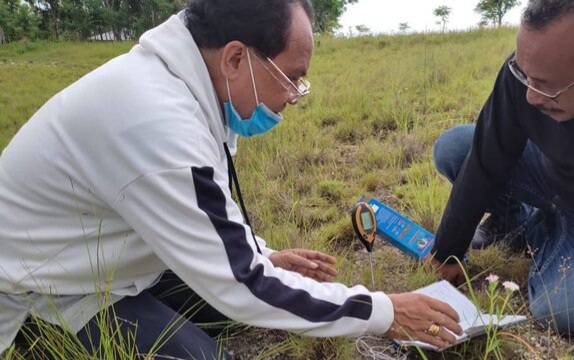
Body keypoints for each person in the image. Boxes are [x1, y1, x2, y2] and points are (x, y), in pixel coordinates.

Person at [0, 0, 464, 358]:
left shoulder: (185, 87)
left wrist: (263, 254)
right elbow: (243, 285)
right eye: (292, 78)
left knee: (238, 310)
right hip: (44, 292)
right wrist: (385, 312)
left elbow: (204, 213)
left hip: (110, 259)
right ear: (236, 58)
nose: (293, 97)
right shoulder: (156, 123)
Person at [429, 0, 574, 335]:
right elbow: (486, 155)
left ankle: (541, 232)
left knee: (561, 309)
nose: (530, 96)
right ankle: (514, 221)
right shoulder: (529, 77)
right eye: (523, 74)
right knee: (456, 148)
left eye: (545, 84)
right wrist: (449, 250)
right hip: (551, 178)